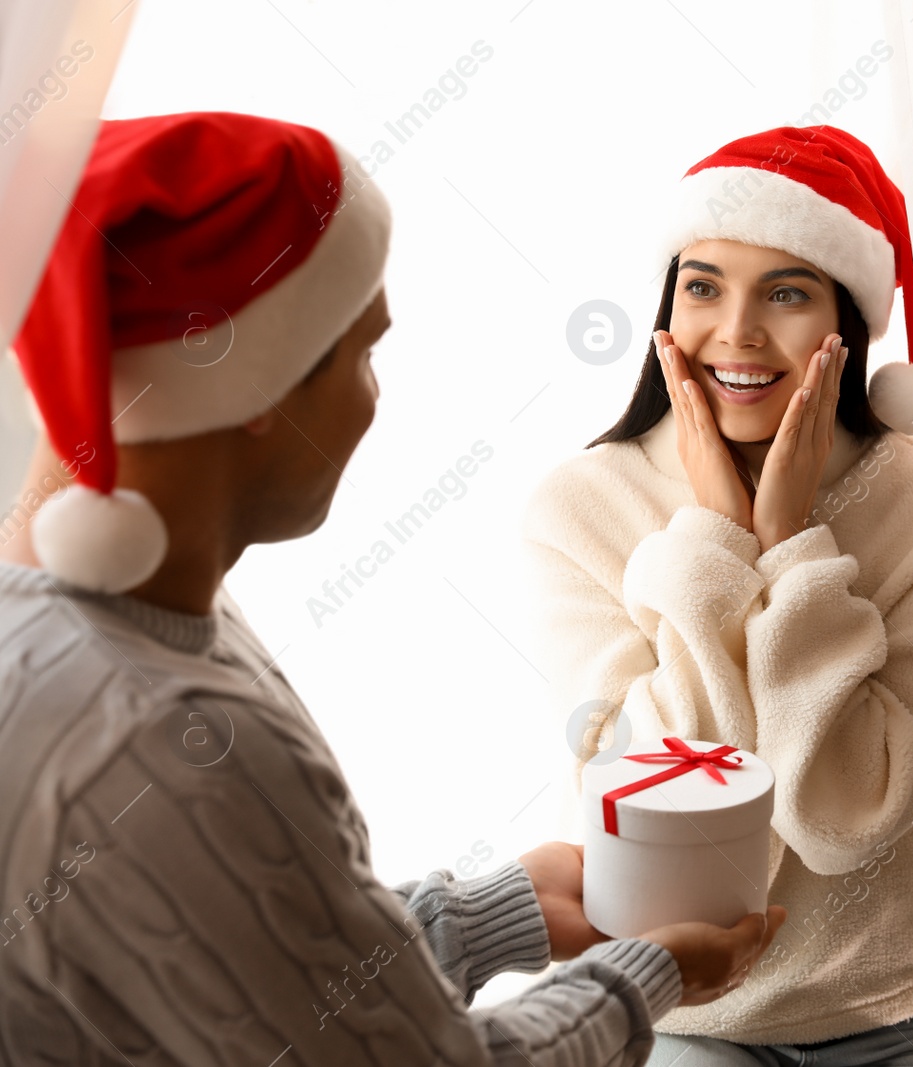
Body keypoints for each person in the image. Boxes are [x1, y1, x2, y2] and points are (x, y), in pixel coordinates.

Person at [0, 111, 782, 1067]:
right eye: (365, 353)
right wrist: (644, 977)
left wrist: (482, 920)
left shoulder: (114, 626)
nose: (377, 399)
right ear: (256, 384)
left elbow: (255, 969)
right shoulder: (158, 733)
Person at [522, 125, 913, 1065]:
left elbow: (848, 816)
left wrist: (792, 547)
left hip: (895, 1012)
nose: (736, 330)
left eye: (786, 291)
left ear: (846, 324)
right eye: (703, 285)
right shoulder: (578, 507)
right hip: (682, 1012)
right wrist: (717, 539)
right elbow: (657, 802)